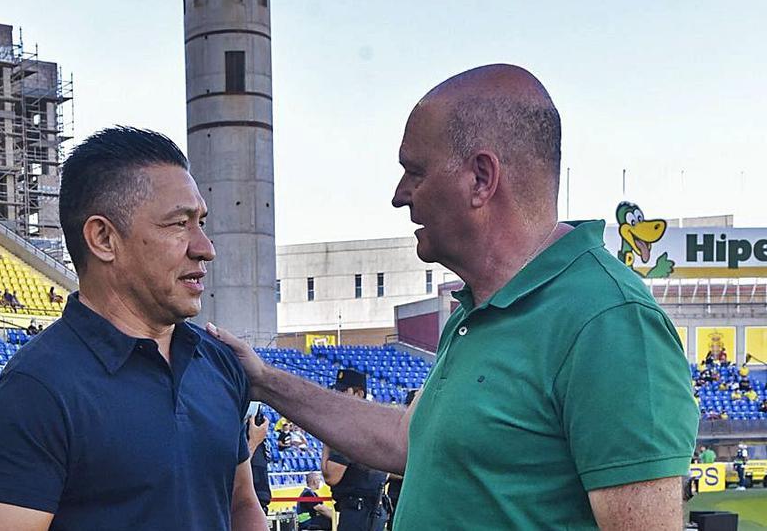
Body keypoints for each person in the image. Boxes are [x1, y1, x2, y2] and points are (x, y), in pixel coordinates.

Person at [204, 65, 699, 529]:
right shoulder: (480, 309)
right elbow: (405, 440)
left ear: (482, 179)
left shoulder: (609, 320)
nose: (401, 194)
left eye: (415, 171)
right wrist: (265, 381)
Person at [0, 127, 263, 530]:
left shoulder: (218, 365)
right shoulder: (35, 390)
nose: (205, 247)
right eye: (179, 224)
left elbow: (242, 505)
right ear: (104, 238)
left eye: (201, 222)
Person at [322, 370, 388, 531]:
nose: (337, 396)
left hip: (357, 512)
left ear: (359, 393)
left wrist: (326, 437)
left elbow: (332, 476)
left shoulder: (350, 427)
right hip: (371, 510)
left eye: (343, 391)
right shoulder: (372, 421)